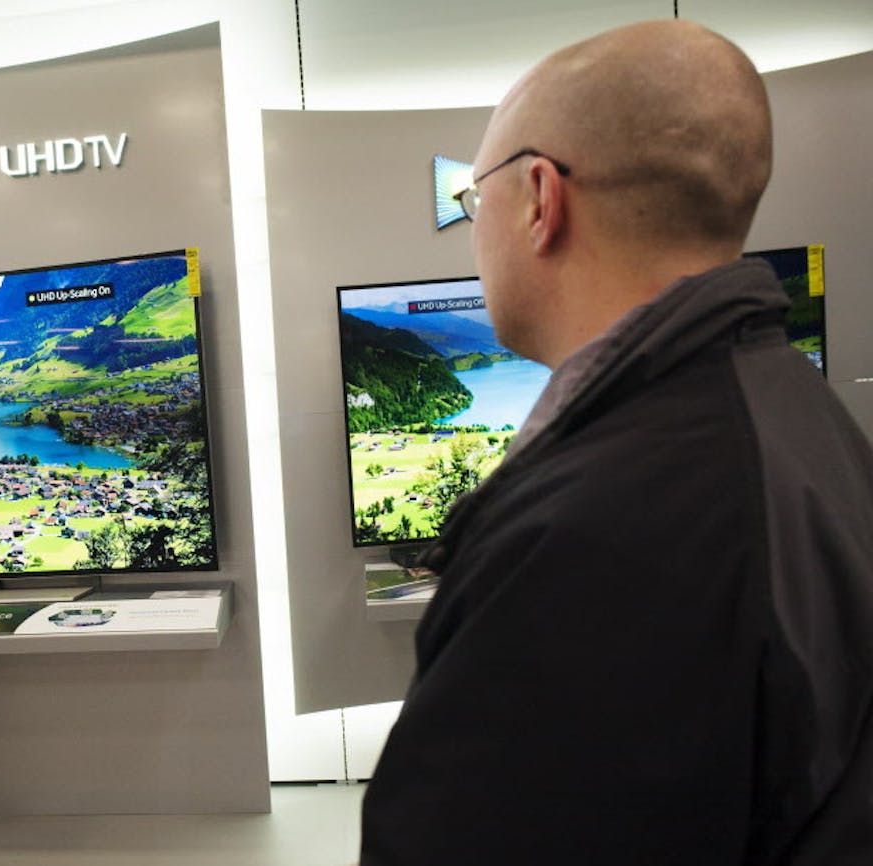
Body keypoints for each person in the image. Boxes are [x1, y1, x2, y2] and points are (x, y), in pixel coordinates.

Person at [361, 19, 873, 866]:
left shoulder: (592, 532)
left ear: (539, 198)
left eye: (470, 199)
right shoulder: (797, 414)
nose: (472, 223)